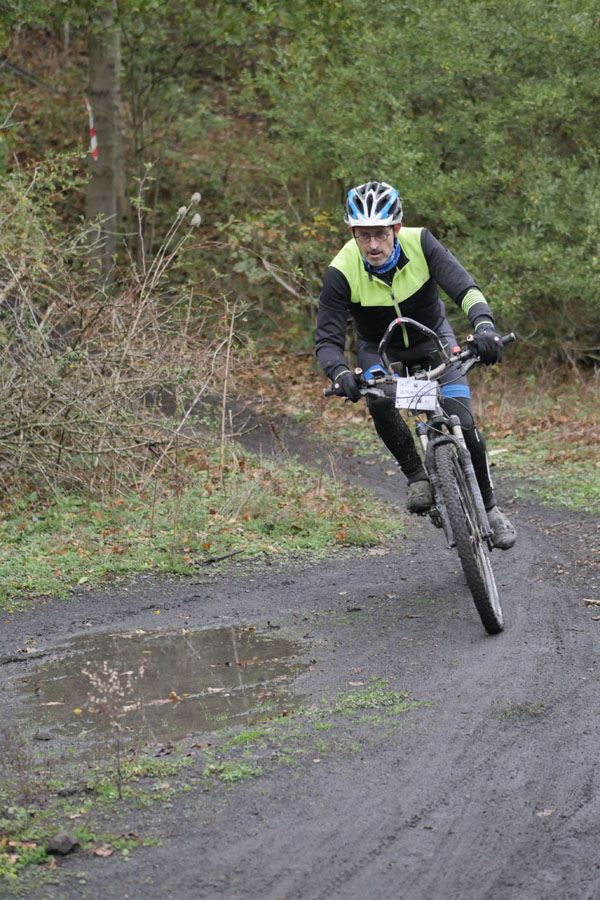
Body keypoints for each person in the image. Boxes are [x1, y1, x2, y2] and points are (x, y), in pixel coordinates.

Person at [315, 180, 516, 550]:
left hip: (433, 340)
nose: (372, 245)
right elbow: (327, 339)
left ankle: (490, 509)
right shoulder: (341, 270)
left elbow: (465, 289)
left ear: (396, 228)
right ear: (352, 233)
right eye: (363, 235)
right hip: (381, 352)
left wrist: (484, 327)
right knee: (378, 399)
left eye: (380, 234)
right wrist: (340, 373)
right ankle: (416, 475)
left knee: (463, 421)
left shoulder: (421, 242)